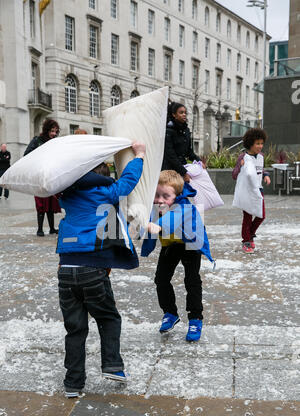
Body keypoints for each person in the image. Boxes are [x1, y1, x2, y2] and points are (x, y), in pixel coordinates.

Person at [56, 142, 145, 398]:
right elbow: (128, 181)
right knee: (108, 318)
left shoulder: (66, 194)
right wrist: (138, 155)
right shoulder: (104, 192)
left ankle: (73, 384)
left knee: (75, 329)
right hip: (92, 267)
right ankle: (113, 366)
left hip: (66, 269)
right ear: (101, 177)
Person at [141, 170, 214, 343]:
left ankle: (195, 318)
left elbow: (172, 219)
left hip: (190, 245)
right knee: (161, 279)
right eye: (157, 194)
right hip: (171, 245)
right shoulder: (157, 206)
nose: (160, 199)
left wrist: (157, 226)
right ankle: (170, 313)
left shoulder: (184, 206)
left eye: (165, 196)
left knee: (192, 280)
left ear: (178, 194)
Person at [232, 128, 271, 254]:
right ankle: (246, 241)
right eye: (257, 143)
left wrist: (265, 175)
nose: (260, 146)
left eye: (261, 143)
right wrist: (240, 166)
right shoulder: (243, 157)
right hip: (247, 191)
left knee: (261, 216)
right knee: (248, 217)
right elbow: (234, 175)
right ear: (250, 143)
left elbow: (260, 169)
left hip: (258, 190)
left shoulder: (261, 157)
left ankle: (250, 234)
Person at [24, 119, 62, 237]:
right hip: (39, 175)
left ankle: (51, 228)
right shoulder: (37, 140)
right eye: (52, 131)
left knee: (51, 201)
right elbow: (27, 154)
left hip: (51, 175)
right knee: (41, 202)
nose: (54, 134)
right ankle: (40, 229)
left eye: (56, 131)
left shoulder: (55, 142)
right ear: (46, 130)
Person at [162, 102, 201, 183]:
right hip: (170, 170)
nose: (184, 115)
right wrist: (183, 173)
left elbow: (189, 151)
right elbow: (171, 155)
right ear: (174, 115)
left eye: (185, 112)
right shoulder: (168, 131)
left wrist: (199, 161)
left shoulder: (186, 130)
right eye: (181, 112)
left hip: (182, 166)